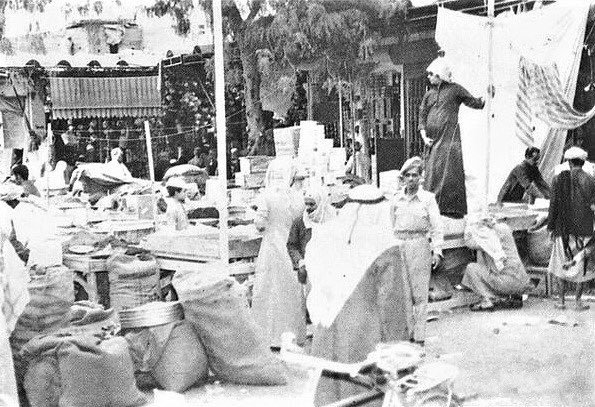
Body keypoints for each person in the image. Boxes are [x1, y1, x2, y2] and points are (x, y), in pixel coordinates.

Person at [305, 184, 411, 406]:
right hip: (364, 333)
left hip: (328, 328)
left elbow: (312, 283)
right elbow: (392, 304)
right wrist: (398, 347)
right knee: (363, 395)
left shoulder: (326, 235)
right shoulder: (386, 246)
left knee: (331, 395)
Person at [419, 57, 486, 218]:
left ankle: (451, 209)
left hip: (449, 137)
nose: (429, 77)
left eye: (431, 74)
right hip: (432, 140)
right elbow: (422, 116)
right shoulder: (429, 94)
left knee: (450, 171)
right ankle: (431, 206)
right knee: (433, 171)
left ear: (439, 74)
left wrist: (486, 97)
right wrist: (424, 136)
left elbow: (474, 102)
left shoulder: (455, 90)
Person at [251, 157, 306, 349]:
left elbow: (260, 224)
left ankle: (271, 337)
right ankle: (293, 335)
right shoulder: (298, 197)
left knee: (269, 291)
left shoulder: (266, 196)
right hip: (291, 248)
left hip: (272, 247)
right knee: (291, 291)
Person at [389, 156, 443, 345]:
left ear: (420, 178)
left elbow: (437, 227)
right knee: (402, 292)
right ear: (403, 178)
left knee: (419, 294)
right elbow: (390, 225)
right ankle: (407, 334)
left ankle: (419, 337)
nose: (411, 179)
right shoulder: (396, 199)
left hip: (419, 245)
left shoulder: (428, 199)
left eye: (415, 175)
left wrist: (437, 251)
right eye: (408, 175)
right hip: (399, 245)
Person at [547, 146, 595, 311]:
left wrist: (551, 227)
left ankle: (561, 301)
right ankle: (578, 302)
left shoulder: (558, 179)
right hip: (584, 230)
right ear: (583, 162)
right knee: (581, 265)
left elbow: (553, 206)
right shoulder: (590, 180)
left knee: (560, 264)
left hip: (563, 229)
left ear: (568, 162)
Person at [462, 214, 531, 311]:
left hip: (507, 283)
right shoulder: (505, 228)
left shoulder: (488, 238)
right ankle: (508, 297)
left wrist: (468, 224)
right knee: (489, 260)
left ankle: (487, 300)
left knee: (471, 268)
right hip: (522, 282)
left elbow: (469, 242)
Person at [287, 187, 335, 285]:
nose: (308, 207)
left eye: (312, 204)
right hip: (309, 269)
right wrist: (300, 262)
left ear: (321, 204)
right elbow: (292, 245)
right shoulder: (300, 222)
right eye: (306, 204)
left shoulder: (332, 221)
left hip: (329, 269)